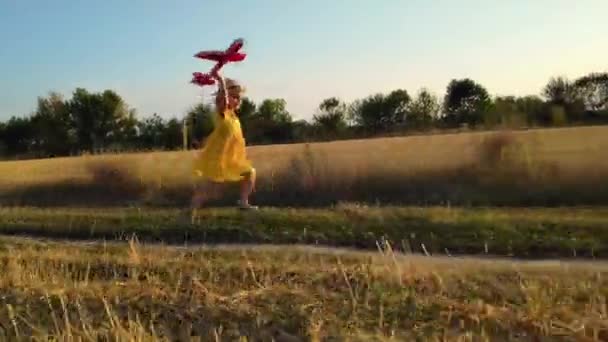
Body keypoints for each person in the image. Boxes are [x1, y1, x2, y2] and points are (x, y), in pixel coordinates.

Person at [190, 71, 257, 212]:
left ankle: (243, 202)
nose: (237, 100)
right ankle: (191, 210)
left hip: (231, 158)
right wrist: (220, 79)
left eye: (238, 98)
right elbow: (223, 100)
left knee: (250, 172)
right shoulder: (223, 113)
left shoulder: (233, 117)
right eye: (234, 97)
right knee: (210, 188)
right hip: (218, 158)